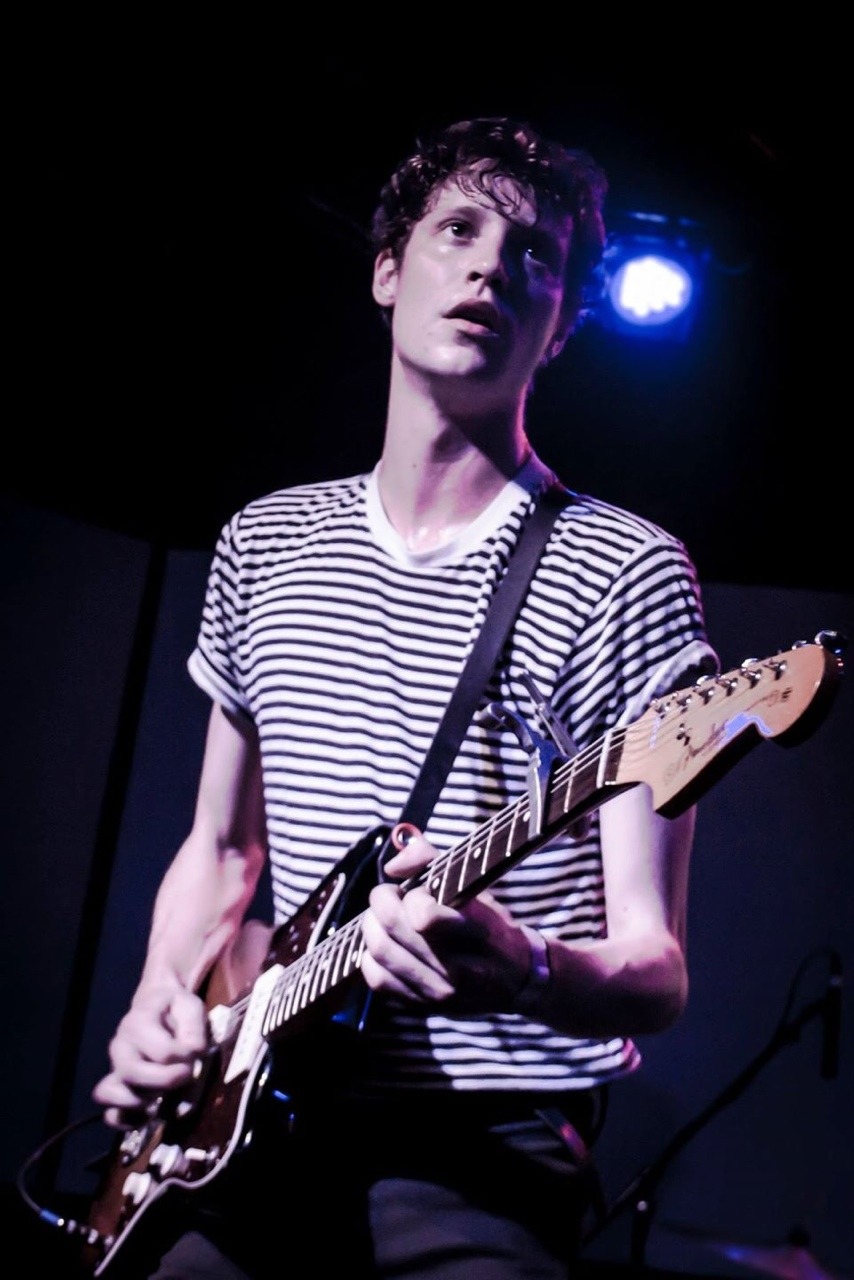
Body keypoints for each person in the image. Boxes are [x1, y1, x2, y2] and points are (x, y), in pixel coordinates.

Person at [90, 116, 720, 1279]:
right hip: (249, 1110)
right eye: (458, 230)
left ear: (564, 321)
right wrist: (159, 1003)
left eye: (534, 254)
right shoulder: (265, 540)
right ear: (387, 269)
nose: (491, 265)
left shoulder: (621, 567)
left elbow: (655, 967)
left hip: (482, 1140)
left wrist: (524, 964)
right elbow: (223, 856)